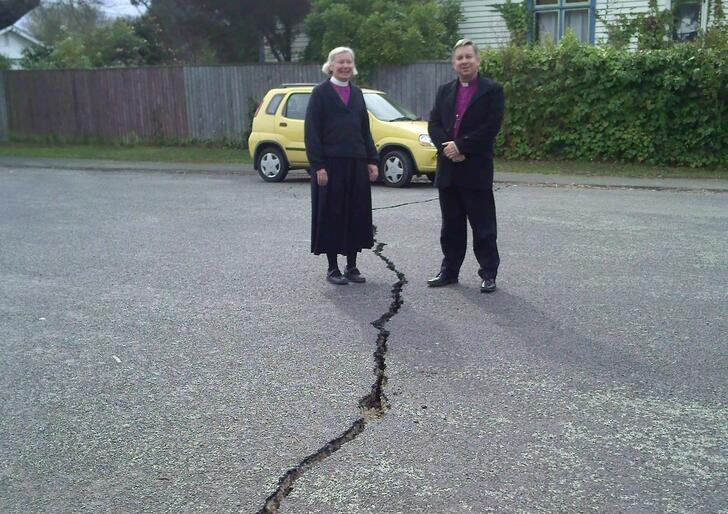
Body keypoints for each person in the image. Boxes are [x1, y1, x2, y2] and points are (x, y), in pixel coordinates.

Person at [426, 38, 505, 293]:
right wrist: (448, 148)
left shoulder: (492, 90)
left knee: (483, 226)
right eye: (459, 58)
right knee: (451, 226)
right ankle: (449, 272)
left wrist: (462, 146)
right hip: (449, 170)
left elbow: (491, 127)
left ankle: (488, 273)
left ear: (478, 60)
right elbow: (434, 125)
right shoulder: (444, 91)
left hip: (476, 169)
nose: (464, 62)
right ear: (453, 63)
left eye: (468, 57)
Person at [305, 47, 379, 285]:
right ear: (331, 65)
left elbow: (364, 130)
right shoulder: (320, 93)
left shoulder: (357, 94)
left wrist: (372, 160)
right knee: (332, 214)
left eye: (349, 62)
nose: (345, 66)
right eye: (340, 62)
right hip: (330, 165)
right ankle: (333, 268)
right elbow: (312, 133)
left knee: (355, 214)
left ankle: (352, 266)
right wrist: (318, 166)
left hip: (356, 163)